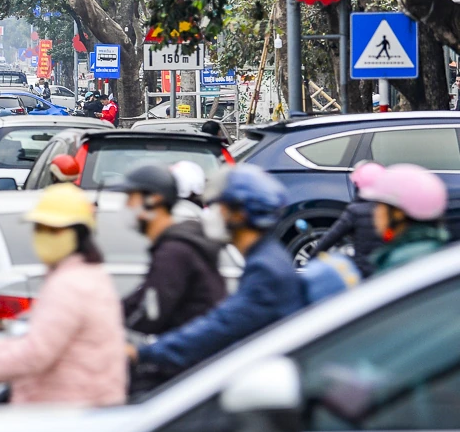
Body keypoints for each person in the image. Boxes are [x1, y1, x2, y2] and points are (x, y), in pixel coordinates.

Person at [129, 165, 305, 378]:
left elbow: (221, 327)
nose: (211, 215)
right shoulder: (266, 257)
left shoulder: (265, 270)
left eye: (218, 207)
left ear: (239, 214)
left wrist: (146, 354)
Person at [0, 184, 126, 406]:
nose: (45, 237)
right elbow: (42, 339)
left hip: (65, 414)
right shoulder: (87, 275)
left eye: (54, 230)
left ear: (78, 233)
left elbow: (35, 353)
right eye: (40, 229)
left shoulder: (69, 285)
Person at [114, 166, 226, 337]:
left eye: (130, 198)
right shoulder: (175, 245)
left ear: (153, 199)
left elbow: (150, 313)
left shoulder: (173, 253)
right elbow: (140, 299)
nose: (126, 206)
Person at [359, 163, 449, 274]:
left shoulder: (399, 263)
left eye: (379, 206)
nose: (375, 212)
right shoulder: (439, 250)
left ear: (398, 214)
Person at [306, 161, 384, 278]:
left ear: (357, 185)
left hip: (363, 273)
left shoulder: (355, 211)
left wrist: (312, 258)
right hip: (388, 270)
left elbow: (330, 238)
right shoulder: (391, 210)